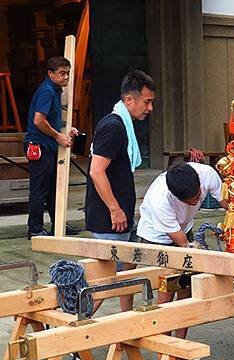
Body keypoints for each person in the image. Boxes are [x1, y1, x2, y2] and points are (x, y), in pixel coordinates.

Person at [137, 161, 234, 360]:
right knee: (167, 291)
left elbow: (233, 209)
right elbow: (183, 246)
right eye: (192, 200)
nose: (197, 201)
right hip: (158, 238)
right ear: (176, 197)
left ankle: (180, 349)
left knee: (186, 290)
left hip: (184, 228)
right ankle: (163, 357)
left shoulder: (206, 174)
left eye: (198, 196)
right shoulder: (160, 200)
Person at [85, 69, 155, 313]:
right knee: (105, 282)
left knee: (127, 269)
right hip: (109, 220)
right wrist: (115, 209)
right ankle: (73, 332)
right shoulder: (114, 126)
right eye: (147, 102)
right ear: (129, 100)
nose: (150, 108)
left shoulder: (121, 125)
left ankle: (127, 319)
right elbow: (96, 171)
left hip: (121, 217)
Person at [24, 56, 80, 238]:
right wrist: (58, 136)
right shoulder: (47, 91)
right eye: (62, 73)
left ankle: (58, 225)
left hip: (49, 146)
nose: (66, 77)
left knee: (53, 189)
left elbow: (52, 118)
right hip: (40, 146)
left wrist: (66, 129)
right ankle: (35, 229)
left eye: (68, 73)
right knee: (40, 190)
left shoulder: (56, 90)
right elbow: (39, 121)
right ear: (50, 74)